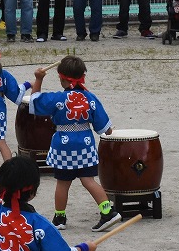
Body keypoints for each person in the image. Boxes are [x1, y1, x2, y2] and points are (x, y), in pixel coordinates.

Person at [27, 55, 120, 232]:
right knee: (88, 180)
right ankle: (108, 211)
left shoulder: (57, 99)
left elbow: (35, 102)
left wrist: (38, 80)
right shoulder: (89, 98)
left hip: (63, 146)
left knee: (62, 182)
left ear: (62, 78)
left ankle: (60, 217)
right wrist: (108, 131)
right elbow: (105, 128)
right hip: (85, 145)